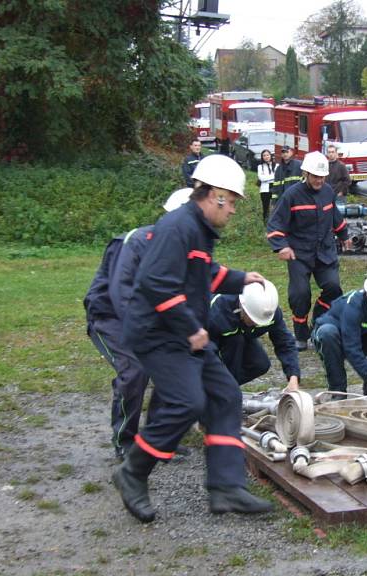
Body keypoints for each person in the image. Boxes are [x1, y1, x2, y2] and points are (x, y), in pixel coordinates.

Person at [114, 155, 272, 523]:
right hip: (158, 336)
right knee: (186, 402)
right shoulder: (177, 227)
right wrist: (191, 327)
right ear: (215, 195)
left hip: (181, 335)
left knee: (226, 395)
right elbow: (156, 283)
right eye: (231, 201)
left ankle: (226, 487)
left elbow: (202, 274)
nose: (233, 210)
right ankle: (132, 472)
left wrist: (239, 278)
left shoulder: (198, 231)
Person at [84, 188, 192, 461]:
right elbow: (122, 296)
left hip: (150, 319)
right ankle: (126, 441)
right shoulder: (134, 243)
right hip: (110, 316)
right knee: (135, 370)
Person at [266, 151, 351, 351]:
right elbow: (275, 224)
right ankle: (301, 335)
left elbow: (335, 217)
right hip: (299, 254)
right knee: (300, 294)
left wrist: (344, 235)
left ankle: (318, 321)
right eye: (315, 176)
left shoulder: (328, 192)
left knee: (334, 288)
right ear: (305, 173)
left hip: (325, 252)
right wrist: (282, 246)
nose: (319, 180)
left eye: (322, 176)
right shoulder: (292, 195)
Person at [208, 280, 300, 390]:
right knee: (235, 343)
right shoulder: (218, 310)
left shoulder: (268, 311)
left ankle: (226, 389)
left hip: (240, 335)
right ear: (242, 307)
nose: (256, 323)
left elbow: (285, 342)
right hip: (211, 339)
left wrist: (293, 377)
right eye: (253, 319)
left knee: (260, 364)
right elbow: (205, 351)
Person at [256, 149, 275, 223]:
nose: (266, 157)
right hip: (264, 189)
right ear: (262, 157)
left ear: (270, 156)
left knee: (275, 206)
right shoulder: (260, 166)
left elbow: (278, 176)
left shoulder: (276, 165)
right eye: (264, 155)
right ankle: (265, 222)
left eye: (267, 155)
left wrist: (267, 178)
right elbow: (262, 178)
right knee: (265, 207)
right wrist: (273, 177)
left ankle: (275, 221)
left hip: (274, 188)